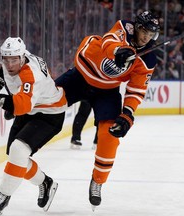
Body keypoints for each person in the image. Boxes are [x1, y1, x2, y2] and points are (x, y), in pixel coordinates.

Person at [55, 10, 160, 210]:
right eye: (144, 31)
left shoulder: (148, 58)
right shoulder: (123, 27)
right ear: (136, 27)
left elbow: (137, 89)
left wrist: (128, 113)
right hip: (81, 76)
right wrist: (118, 52)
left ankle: (98, 181)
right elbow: (108, 42)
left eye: (151, 33)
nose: (147, 36)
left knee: (110, 134)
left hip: (107, 91)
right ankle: (15, 107)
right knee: (49, 101)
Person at [0, 37, 67, 215]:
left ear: (22, 58)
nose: (10, 64)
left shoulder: (31, 75)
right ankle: (45, 182)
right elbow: (11, 78)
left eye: (14, 60)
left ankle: (3, 196)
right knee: (16, 156)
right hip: (31, 108)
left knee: (18, 150)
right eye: (6, 59)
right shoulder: (18, 57)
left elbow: (21, 106)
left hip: (49, 113)